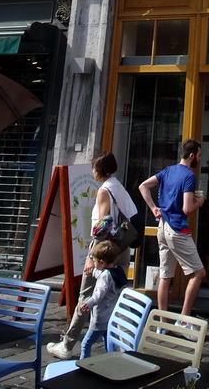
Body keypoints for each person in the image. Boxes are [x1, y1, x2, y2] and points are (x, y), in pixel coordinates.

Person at [48, 152, 138, 360]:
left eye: (94, 167)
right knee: (113, 295)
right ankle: (117, 342)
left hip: (105, 252)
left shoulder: (104, 191)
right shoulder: (119, 187)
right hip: (122, 250)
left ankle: (68, 345)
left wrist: (91, 256)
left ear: (100, 170)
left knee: (86, 295)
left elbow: (102, 226)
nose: (92, 171)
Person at [139, 138, 206, 318]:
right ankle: (183, 320)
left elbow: (143, 186)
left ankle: (162, 321)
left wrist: (154, 208)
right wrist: (199, 202)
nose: (200, 159)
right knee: (198, 273)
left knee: (165, 275)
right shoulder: (189, 176)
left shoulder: (168, 171)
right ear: (192, 156)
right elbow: (187, 208)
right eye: (199, 155)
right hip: (177, 229)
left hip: (162, 227)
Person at [79, 240, 128, 357]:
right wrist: (93, 271)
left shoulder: (105, 276)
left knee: (85, 343)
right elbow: (101, 274)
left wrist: (88, 303)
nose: (94, 263)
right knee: (109, 342)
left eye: (94, 261)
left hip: (100, 317)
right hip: (110, 314)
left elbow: (99, 293)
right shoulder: (116, 270)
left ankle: (82, 366)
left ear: (101, 262)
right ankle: (113, 360)